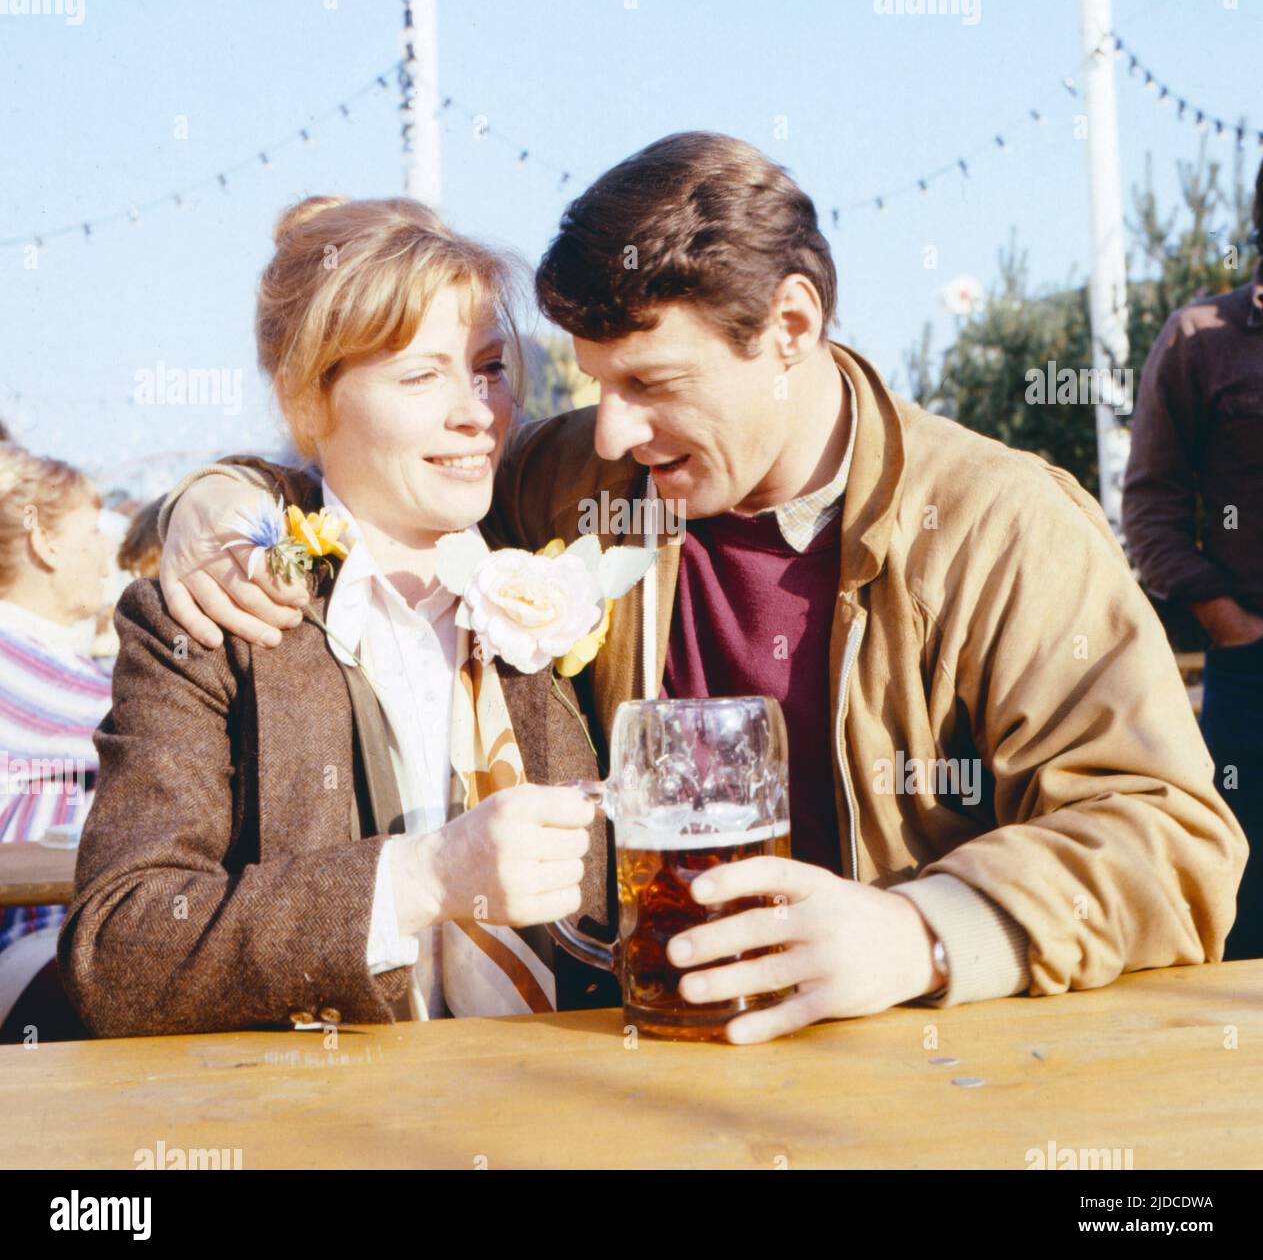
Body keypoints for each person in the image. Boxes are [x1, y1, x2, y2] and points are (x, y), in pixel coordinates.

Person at [156, 134, 1247, 1045]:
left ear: (791, 329)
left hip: (924, 1084)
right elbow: (382, 472)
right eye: (594, 385)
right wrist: (219, 499)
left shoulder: (1003, 529)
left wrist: (919, 932)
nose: (615, 426)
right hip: (644, 1087)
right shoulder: (587, 478)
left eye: (652, 384)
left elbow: (1173, 835)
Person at [58, 197, 617, 1039]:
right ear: (306, 403)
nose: (476, 411)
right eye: (421, 375)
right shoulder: (220, 614)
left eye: (490, 367)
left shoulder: (557, 566)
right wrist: (423, 877)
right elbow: (120, 950)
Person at [1123, 157, 1263, 961]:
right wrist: (1230, 624)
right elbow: (1149, 508)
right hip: (1250, 670)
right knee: (1245, 912)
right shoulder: (1200, 340)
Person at [0, 443, 113, 1042]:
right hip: (33, 940)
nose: (106, 551)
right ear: (43, 543)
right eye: (91, 531)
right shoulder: (12, 657)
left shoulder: (48, 657)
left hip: (64, 931)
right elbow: (151, 725)